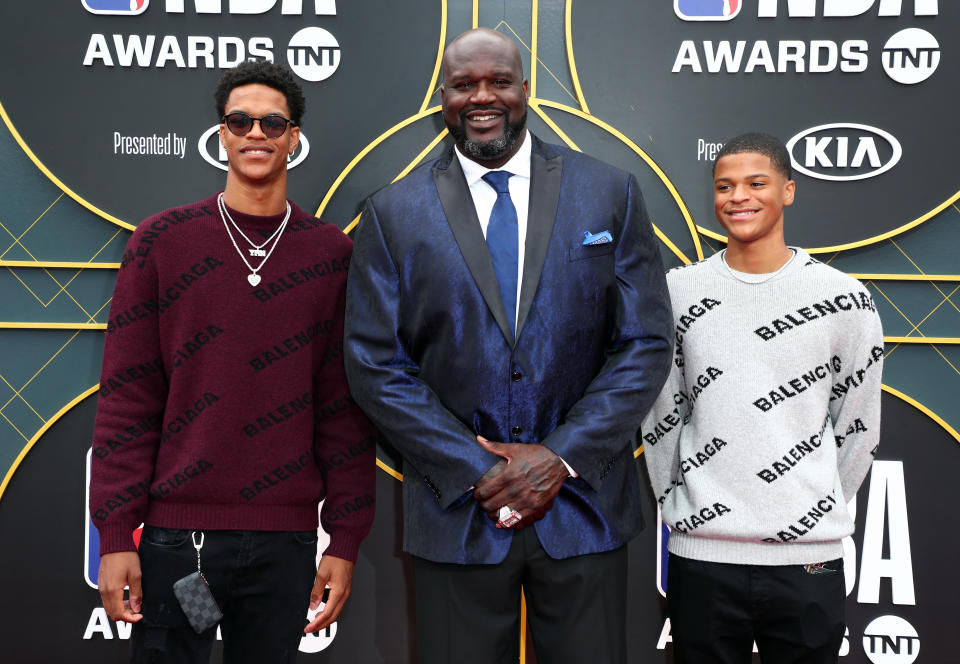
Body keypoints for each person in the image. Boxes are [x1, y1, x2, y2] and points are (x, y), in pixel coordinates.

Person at [343, 27, 673, 664]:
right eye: (464, 85)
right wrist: (481, 470)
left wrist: (559, 456)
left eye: (499, 81)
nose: (482, 96)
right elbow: (375, 364)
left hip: (584, 506)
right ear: (443, 96)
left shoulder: (608, 191)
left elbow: (644, 343)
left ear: (527, 87)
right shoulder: (393, 212)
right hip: (457, 514)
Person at [89, 60, 376, 663]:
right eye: (239, 120)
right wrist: (115, 533)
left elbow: (343, 411)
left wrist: (344, 540)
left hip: (285, 545)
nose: (255, 132)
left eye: (273, 122)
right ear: (221, 134)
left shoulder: (331, 254)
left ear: (293, 138)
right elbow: (127, 397)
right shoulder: (162, 242)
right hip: (180, 547)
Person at [640, 132, 884, 663]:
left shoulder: (843, 298)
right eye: (724, 186)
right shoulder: (678, 292)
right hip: (702, 556)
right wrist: (686, 507)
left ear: (788, 190)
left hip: (808, 561)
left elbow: (858, 427)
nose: (738, 197)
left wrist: (809, 507)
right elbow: (662, 415)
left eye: (756, 183)